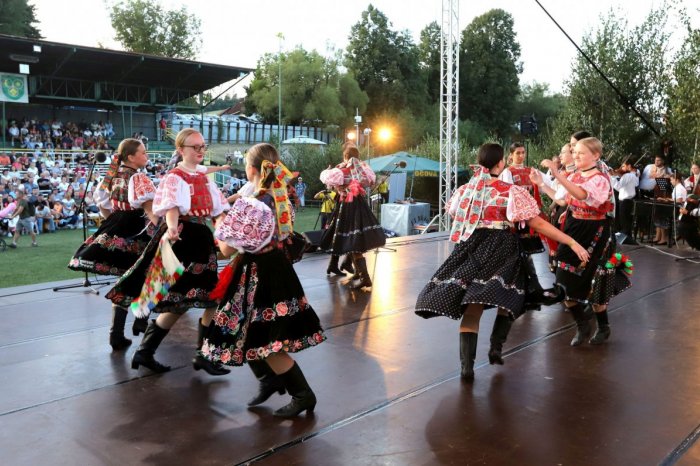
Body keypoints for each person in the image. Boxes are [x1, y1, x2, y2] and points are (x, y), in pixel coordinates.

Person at [415, 143, 589, 380]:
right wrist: (570, 241)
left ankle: (467, 367)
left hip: (472, 245)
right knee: (511, 295)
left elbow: (455, 215)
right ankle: (496, 346)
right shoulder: (509, 191)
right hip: (501, 246)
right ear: (501, 163)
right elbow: (537, 223)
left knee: (473, 305)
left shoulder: (466, 190)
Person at [201, 143, 325, 417]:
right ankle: (276, 383)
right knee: (260, 335)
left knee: (266, 340)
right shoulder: (280, 197)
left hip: (257, 273)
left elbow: (226, 249)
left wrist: (220, 219)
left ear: (252, 169)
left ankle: (302, 394)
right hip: (278, 268)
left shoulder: (252, 203)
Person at [106, 129, 230, 375]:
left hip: (200, 239)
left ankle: (149, 351)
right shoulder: (175, 177)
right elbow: (171, 207)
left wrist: (230, 229)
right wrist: (172, 228)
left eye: (202, 146)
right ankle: (198, 355)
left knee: (191, 301)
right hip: (184, 239)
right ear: (181, 149)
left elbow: (217, 210)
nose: (200, 150)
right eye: (195, 146)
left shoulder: (204, 178)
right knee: (198, 299)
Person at [68, 140, 158, 350]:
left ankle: (117, 333)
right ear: (130, 157)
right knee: (152, 273)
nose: (146, 157)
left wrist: (114, 222)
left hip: (117, 224)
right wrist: (163, 230)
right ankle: (141, 320)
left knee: (127, 279)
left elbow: (102, 202)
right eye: (143, 153)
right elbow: (150, 209)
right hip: (137, 227)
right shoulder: (138, 177)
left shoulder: (113, 175)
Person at [542, 137, 632, 347]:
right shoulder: (573, 175)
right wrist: (542, 184)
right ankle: (582, 324)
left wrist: (556, 174)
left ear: (596, 156)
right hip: (574, 228)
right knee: (562, 282)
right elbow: (562, 199)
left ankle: (603, 326)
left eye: (581, 153)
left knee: (595, 285)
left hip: (596, 233)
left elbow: (581, 195)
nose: (576, 156)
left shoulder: (600, 179)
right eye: (575, 153)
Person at [320, 144, 386, 289]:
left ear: (345, 156)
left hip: (347, 204)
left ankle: (363, 276)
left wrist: (328, 169)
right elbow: (370, 181)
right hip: (359, 204)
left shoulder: (340, 171)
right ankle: (349, 267)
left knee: (350, 237)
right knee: (354, 236)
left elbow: (326, 179)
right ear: (358, 157)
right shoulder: (363, 170)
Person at [610, 160, 639, 244]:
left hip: (625, 201)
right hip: (626, 201)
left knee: (624, 223)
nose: (621, 168)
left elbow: (618, 186)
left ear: (629, 166)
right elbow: (619, 189)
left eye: (623, 166)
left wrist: (612, 177)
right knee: (625, 222)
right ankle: (628, 241)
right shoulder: (631, 175)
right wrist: (614, 177)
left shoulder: (627, 175)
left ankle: (627, 241)